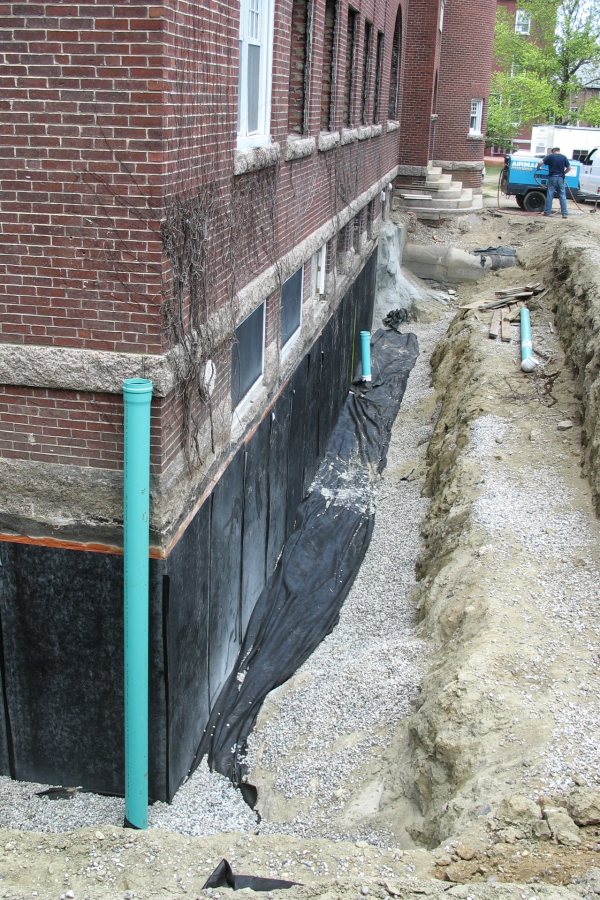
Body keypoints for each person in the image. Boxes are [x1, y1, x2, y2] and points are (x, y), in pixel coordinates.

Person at [536, 147, 571, 218]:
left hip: (552, 178)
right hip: (561, 178)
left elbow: (540, 163)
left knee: (550, 195)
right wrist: (563, 173)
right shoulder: (564, 157)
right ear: (559, 151)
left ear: (553, 151)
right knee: (562, 196)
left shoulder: (550, 156)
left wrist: (538, 168)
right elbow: (569, 168)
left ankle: (547, 212)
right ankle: (564, 214)